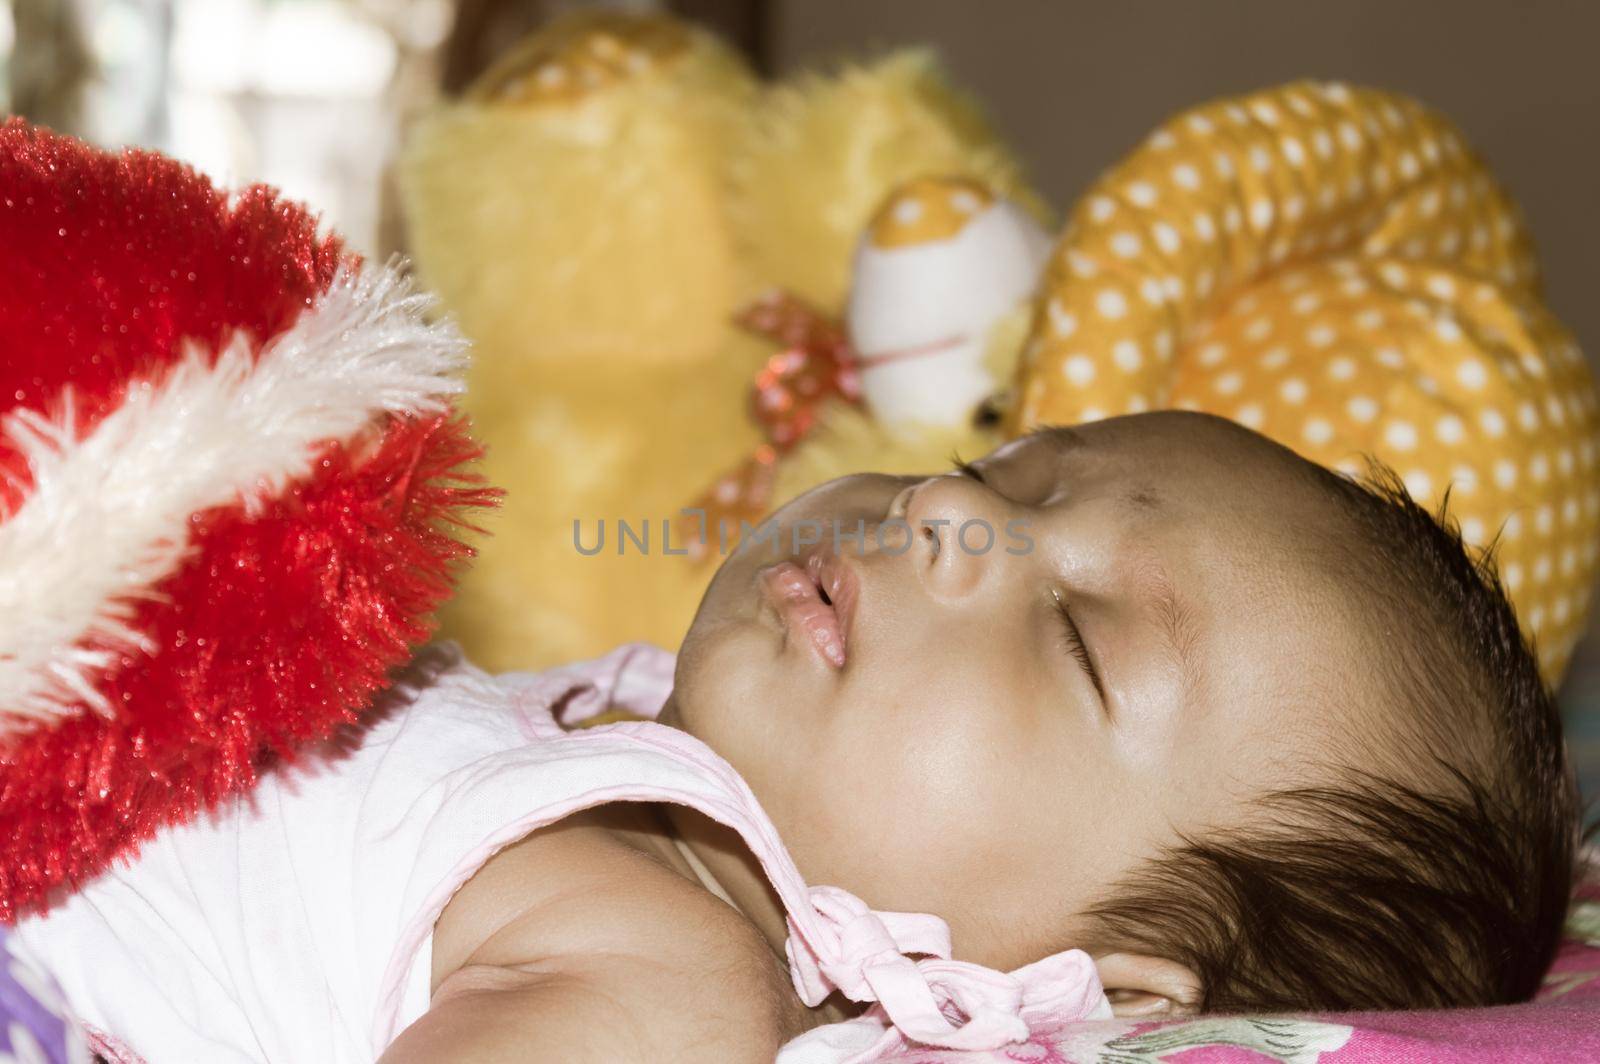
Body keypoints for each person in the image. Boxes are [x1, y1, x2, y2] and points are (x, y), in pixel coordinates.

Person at [15, 412, 1577, 1063]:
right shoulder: (630, 742)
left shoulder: (670, 965)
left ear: (1107, 989)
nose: (949, 509)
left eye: (1081, 639)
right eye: (1009, 471)